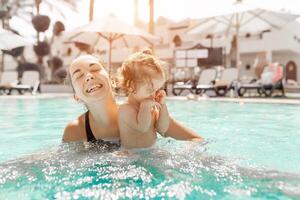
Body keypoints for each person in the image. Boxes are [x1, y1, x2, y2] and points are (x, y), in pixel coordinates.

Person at [63, 54, 203, 146]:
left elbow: (197, 140)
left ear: (112, 80)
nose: (88, 76)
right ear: (76, 96)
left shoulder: (146, 112)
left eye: (94, 69)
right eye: (78, 76)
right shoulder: (75, 130)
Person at [118, 50, 170, 149]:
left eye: (158, 89)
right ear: (131, 86)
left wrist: (163, 105)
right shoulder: (125, 109)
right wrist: (145, 107)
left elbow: (162, 129)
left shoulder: (150, 107)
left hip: (151, 151)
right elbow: (142, 127)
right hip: (131, 155)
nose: (155, 94)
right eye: (150, 90)